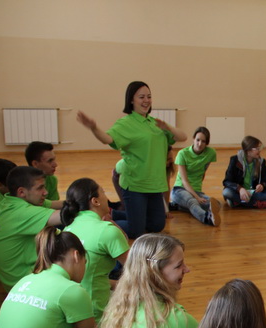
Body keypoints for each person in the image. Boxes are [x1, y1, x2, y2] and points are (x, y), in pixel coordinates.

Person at [77, 81, 187, 238]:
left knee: (157, 225)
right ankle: (105, 222)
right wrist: (94, 128)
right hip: (136, 184)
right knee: (136, 231)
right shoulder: (126, 123)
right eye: (141, 97)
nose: (146, 100)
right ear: (131, 100)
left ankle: (114, 213)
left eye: (149, 96)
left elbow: (183, 137)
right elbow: (107, 139)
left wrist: (167, 127)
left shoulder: (155, 123)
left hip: (155, 184)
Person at [61, 178, 130, 322]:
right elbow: (138, 270)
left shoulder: (68, 228)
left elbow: (90, 277)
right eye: (103, 192)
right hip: (96, 312)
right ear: (95, 201)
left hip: (72, 308)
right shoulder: (106, 231)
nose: (106, 197)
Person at [0, 166, 63, 290]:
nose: (45, 192)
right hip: (27, 284)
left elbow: (57, 205)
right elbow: (64, 216)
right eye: (40, 188)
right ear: (21, 192)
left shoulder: (7, 203)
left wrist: (76, 201)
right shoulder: (21, 212)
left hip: (13, 279)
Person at [170, 127, 221, 226]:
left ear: (207, 143)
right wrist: (197, 197)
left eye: (203, 141)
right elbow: (184, 181)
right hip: (180, 189)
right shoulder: (182, 154)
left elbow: (203, 171)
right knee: (193, 202)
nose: (200, 144)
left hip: (196, 190)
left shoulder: (211, 153)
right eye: (198, 140)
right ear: (193, 139)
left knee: (217, 204)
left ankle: (177, 206)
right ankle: (207, 218)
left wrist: (198, 194)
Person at [222, 135, 266, 209]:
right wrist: (240, 189)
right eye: (257, 148)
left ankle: (237, 202)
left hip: (254, 192)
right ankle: (257, 204)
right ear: (248, 151)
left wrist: (262, 185)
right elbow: (227, 181)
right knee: (226, 192)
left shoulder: (261, 162)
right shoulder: (235, 160)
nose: (259, 150)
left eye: (260, 148)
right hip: (239, 192)